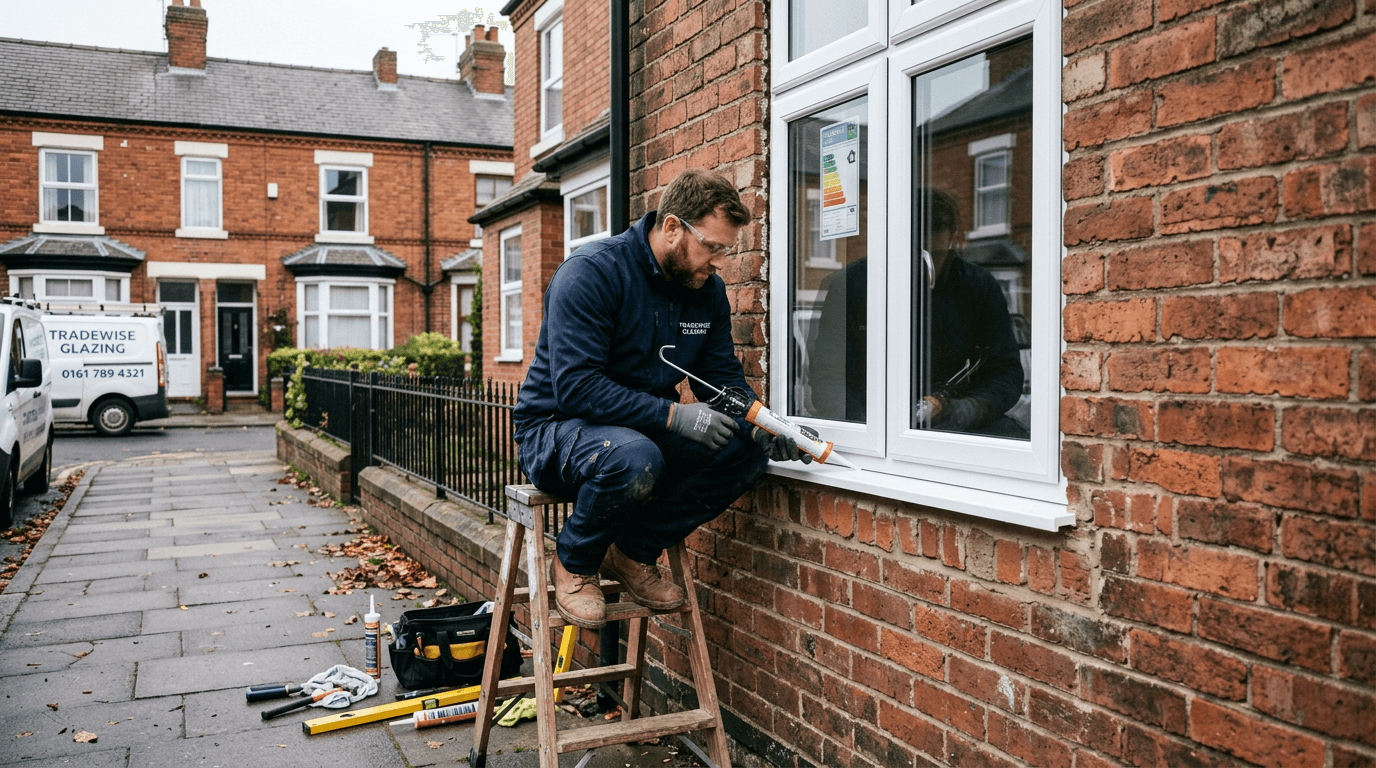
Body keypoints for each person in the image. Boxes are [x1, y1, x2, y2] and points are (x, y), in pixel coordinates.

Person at [513, 169, 816, 629]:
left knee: (744, 453)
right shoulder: (593, 273)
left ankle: (631, 552)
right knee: (635, 456)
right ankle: (575, 562)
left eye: (725, 250)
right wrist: (674, 415)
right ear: (673, 227)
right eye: (712, 248)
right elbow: (577, 388)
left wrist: (766, 426)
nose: (719, 263)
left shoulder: (706, 292)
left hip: (643, 433)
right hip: (556, 430)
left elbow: (719, 379)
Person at [809, 186, 1025, 437]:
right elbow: (826, 378)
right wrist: (868, 423)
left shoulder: (977, 285)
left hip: (955, 428)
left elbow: (1005, 372)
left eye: (936, 255)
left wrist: (958, 410)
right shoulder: (852, 285)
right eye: (912, 255)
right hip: (868, 426)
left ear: (953, 238)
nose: (924, 268)